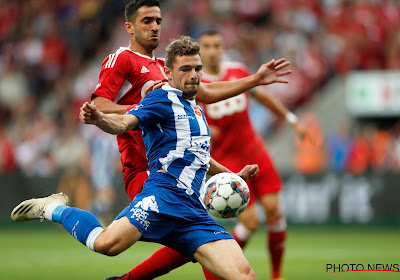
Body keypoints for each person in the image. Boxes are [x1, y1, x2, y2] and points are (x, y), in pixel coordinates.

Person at [11, 36, 260, 280]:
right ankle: (53, 208)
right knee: (105, 243)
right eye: (185, 69)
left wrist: (231, 175)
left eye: (197, 68)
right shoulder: (161, 97)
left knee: (244, 276)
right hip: (162, 196)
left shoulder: (195, 109)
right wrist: (99, 119)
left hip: (193, 210)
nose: (193, 74)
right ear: (168, 72)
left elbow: (200, 158)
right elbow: (124, 123)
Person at [90, 1, 291, 279]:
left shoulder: (164, 67)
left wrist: (254, 80)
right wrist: (152, 109)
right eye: (147, 21)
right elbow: (101, 104)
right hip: (146, 167)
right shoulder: (123, 59)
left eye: (158, 21)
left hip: (175, 163)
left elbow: (206, 93)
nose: (154, 27)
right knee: (182, 236)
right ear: (129, 26)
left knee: (193, 237)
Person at [195, 30, 309, 280]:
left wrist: (292, 120)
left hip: (254, 151)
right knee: (251, 222)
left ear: (223, 48)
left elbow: (262, 96)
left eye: (217, 45)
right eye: (207, 46)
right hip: (227, 160)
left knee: (274, 211)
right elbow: (186, 119)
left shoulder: (237, 71)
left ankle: (277, 274)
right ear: (200, 51)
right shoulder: (196, 84)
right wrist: (203, 127)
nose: (213, 50)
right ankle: (218, 270)